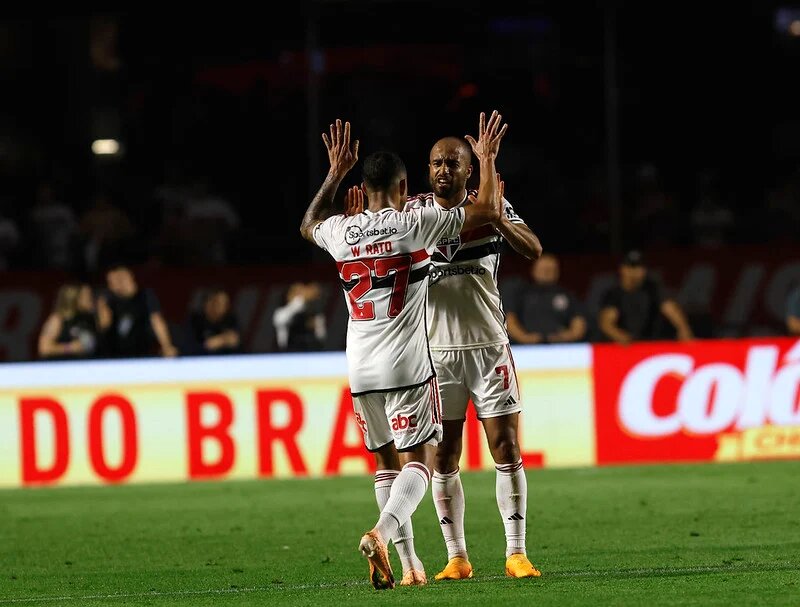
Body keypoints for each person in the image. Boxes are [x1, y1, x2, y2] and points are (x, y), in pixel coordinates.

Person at [299, 112, 505, 589]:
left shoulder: (341, 230)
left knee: (384, 466)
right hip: (406, 365)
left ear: (363, 186)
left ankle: (410, 567)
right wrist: (487, 159)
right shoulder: (416, 223)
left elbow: (308, 223)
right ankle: (381, 533)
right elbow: (486, 211)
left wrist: (334, 173)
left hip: (359, 369)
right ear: (405, 185)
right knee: (421, 463)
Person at [403, 131, 543, 580]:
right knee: (444, 456)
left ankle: (516, 553)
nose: (443, 170)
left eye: (452, 163)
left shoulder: (490, 207)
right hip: (435, 353)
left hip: (488, 348)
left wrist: (497, 217)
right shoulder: (413, 212)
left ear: (469, 170)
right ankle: (457, 558)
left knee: (506, 446)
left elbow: (533, 248)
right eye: (436, 163)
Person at [598, 249, 693, 344]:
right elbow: (606, 323)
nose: (636, 271)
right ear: (623, 269)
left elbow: (670, 308)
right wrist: (620, 336)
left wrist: (683, 329)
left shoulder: (653, 288)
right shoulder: (614, 294)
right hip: (622, 346)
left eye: (640, 267)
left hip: (650, 343)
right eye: (632, 267)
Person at [96, 264, 178, 358]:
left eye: (119, 278)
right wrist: (102, 309)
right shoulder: (109, 300)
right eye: (110, 281)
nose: (115, 283)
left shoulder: (145, 296)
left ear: (130, 276)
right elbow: (104, 327)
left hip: (142, 353)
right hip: (115, 355)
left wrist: (166, 346)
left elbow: (156, 321)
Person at [506, 253, 587, 344]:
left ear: (557, 271)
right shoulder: (521, 294)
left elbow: (578, 324)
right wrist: (525, 338)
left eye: (550, 270)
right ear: (533, 270)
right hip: (527, 347)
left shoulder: (568, 295)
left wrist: (565, 337)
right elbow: (510, 320)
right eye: (543, 269)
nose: (546, 273)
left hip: (562, 346)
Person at [38, 283, 99, 360]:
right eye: (88, 296)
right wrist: (70, 348)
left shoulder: (90, 318)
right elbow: (44, 348)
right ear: (75, 298)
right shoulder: (58, 319)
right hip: (64, 365)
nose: (92, 299)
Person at [272, 282, 326, 351]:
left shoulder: (315, 314)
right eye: (296, 294)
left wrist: (316, 325)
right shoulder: (281, 312)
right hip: (289, 351)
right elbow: (281, 322)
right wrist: (297, 304)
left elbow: (321, 337)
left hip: (311, 351)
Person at [188, 287, 241, 355]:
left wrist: (221, 340)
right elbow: (190, 348)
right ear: (208, 304)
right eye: (218, 303)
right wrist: (209, 345)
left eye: (225, 304)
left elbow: (237, 343)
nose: (223, 307)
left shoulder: (231, 320)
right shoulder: (195, 320)